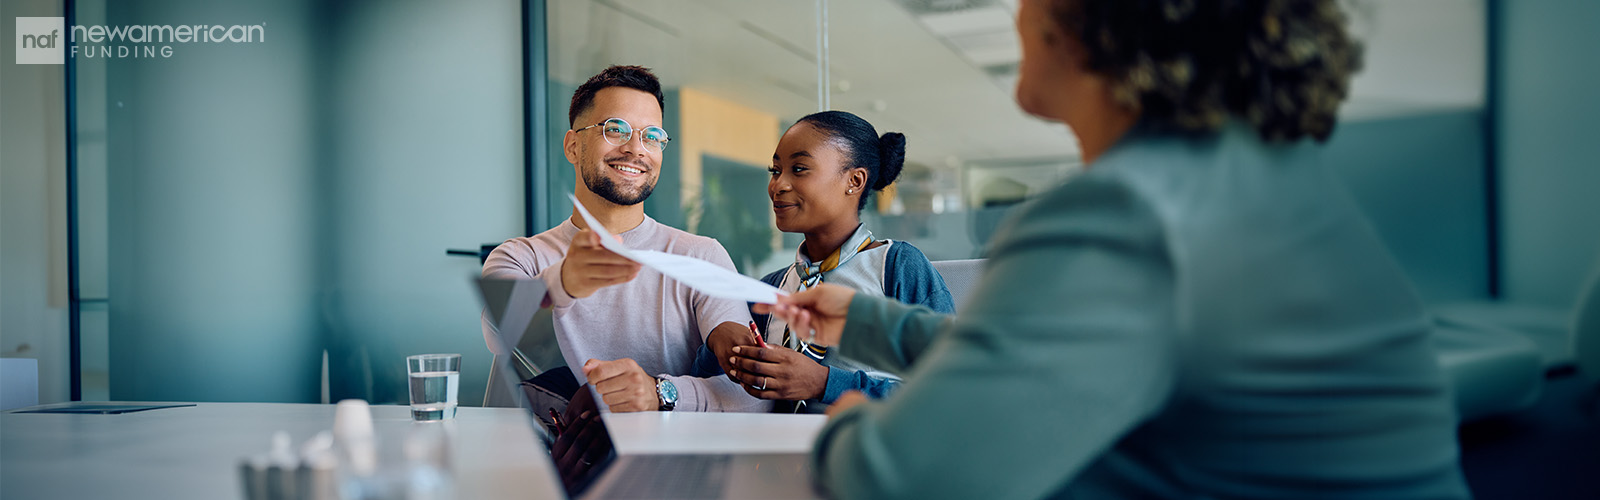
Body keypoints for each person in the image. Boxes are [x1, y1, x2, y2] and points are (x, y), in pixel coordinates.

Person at [758, 0, 1472, 498]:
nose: (1018, 12)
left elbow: (906, 479)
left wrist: (844, 422)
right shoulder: (1245, 180)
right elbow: (1030, 356)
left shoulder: (1129, 209)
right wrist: (867, 325)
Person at [482, 65, 768, 413]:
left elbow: (748, 396)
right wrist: (565, 281)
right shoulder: (519, 257)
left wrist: (661, 393)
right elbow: (500, 335)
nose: (636, 149)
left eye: (652, 136)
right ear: (573, 146)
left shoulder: (700, 255)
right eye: (615, 129)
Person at [692, 111, 955, 413]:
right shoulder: (773, 288)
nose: (778, 185)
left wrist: (824, 383)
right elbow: (705, 382)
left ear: (854, 181)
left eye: (799, 169)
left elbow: (953, 391)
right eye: (775, 170)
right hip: (775, 453)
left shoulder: (898, 267)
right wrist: (718, 339)